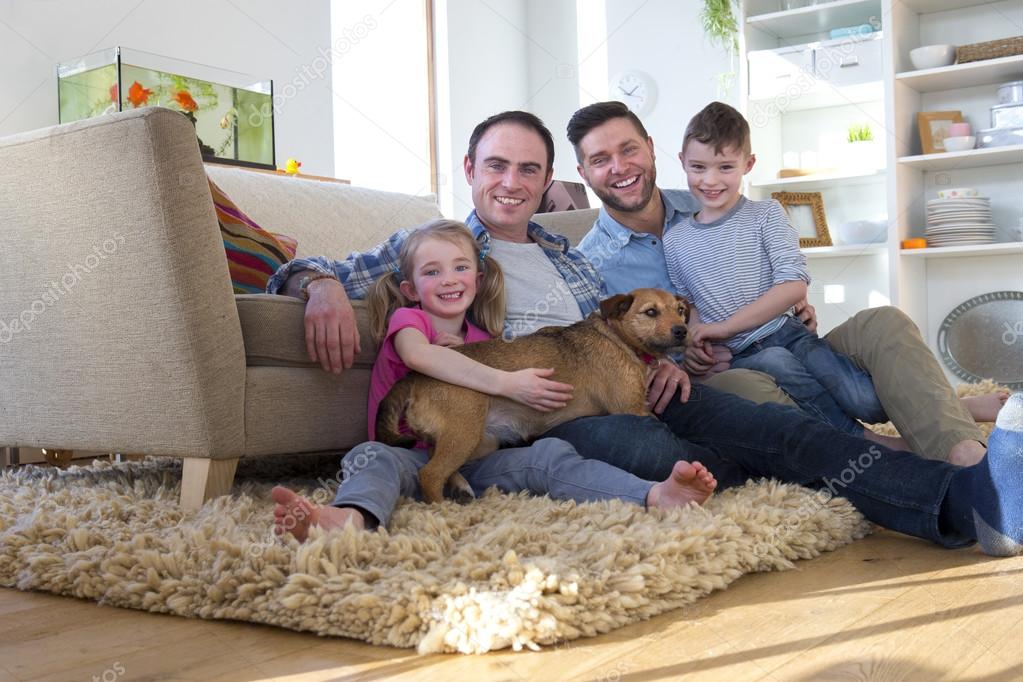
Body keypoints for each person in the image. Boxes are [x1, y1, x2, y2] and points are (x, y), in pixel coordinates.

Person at [268, 109, 1022, 557]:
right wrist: (319, 283)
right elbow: (307, 267)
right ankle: (741, 468)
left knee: (769, 430)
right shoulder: (441, 250)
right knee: (663, 447)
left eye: (528, 169)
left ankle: (969, 504)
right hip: (557, 423)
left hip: (646, 388)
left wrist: (672, 361)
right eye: (495, 165)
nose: (511, 181)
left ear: (547, 179)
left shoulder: (577, 257)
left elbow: (640, 330)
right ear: (469, 168)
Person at [568, 100, 1007, 466]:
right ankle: (891, 444)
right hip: (727, 374)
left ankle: (961, 450)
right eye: (600, 160)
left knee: (883, 322)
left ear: (650, 148)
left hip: (788, 334)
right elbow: (601, 355)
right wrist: (680, 358)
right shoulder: (588, 265)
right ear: (584, 172)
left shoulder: (706, 197)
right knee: (751, 385)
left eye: (628, 150)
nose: (620, 167)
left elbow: (781, 275)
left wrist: (795, 303)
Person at [271, 219, 717, 538]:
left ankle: (654, 496)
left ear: (479, 280)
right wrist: (321, 284)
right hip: (408, 450)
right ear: (409, 288)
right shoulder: (409, 320)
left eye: (461, 268)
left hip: (485, 459)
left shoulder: (484, 336)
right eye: (433, 272)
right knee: (372, 458)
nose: (449, 279)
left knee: (553, 459)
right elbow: (419, 357)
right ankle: (348, 517)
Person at [661, 101, 900, 446]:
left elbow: (792, 285)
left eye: (725, 167)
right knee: (780, 370)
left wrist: (723, 327)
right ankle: (869, 441)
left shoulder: (766, 214)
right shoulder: (675, 240)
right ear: (682, 160)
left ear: (749, 164)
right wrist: (698, 339)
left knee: (865, 400)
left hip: (787, 333)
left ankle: (948, 407)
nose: (710, 180)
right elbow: (690, 305)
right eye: (698, 167)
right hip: (740, 356)